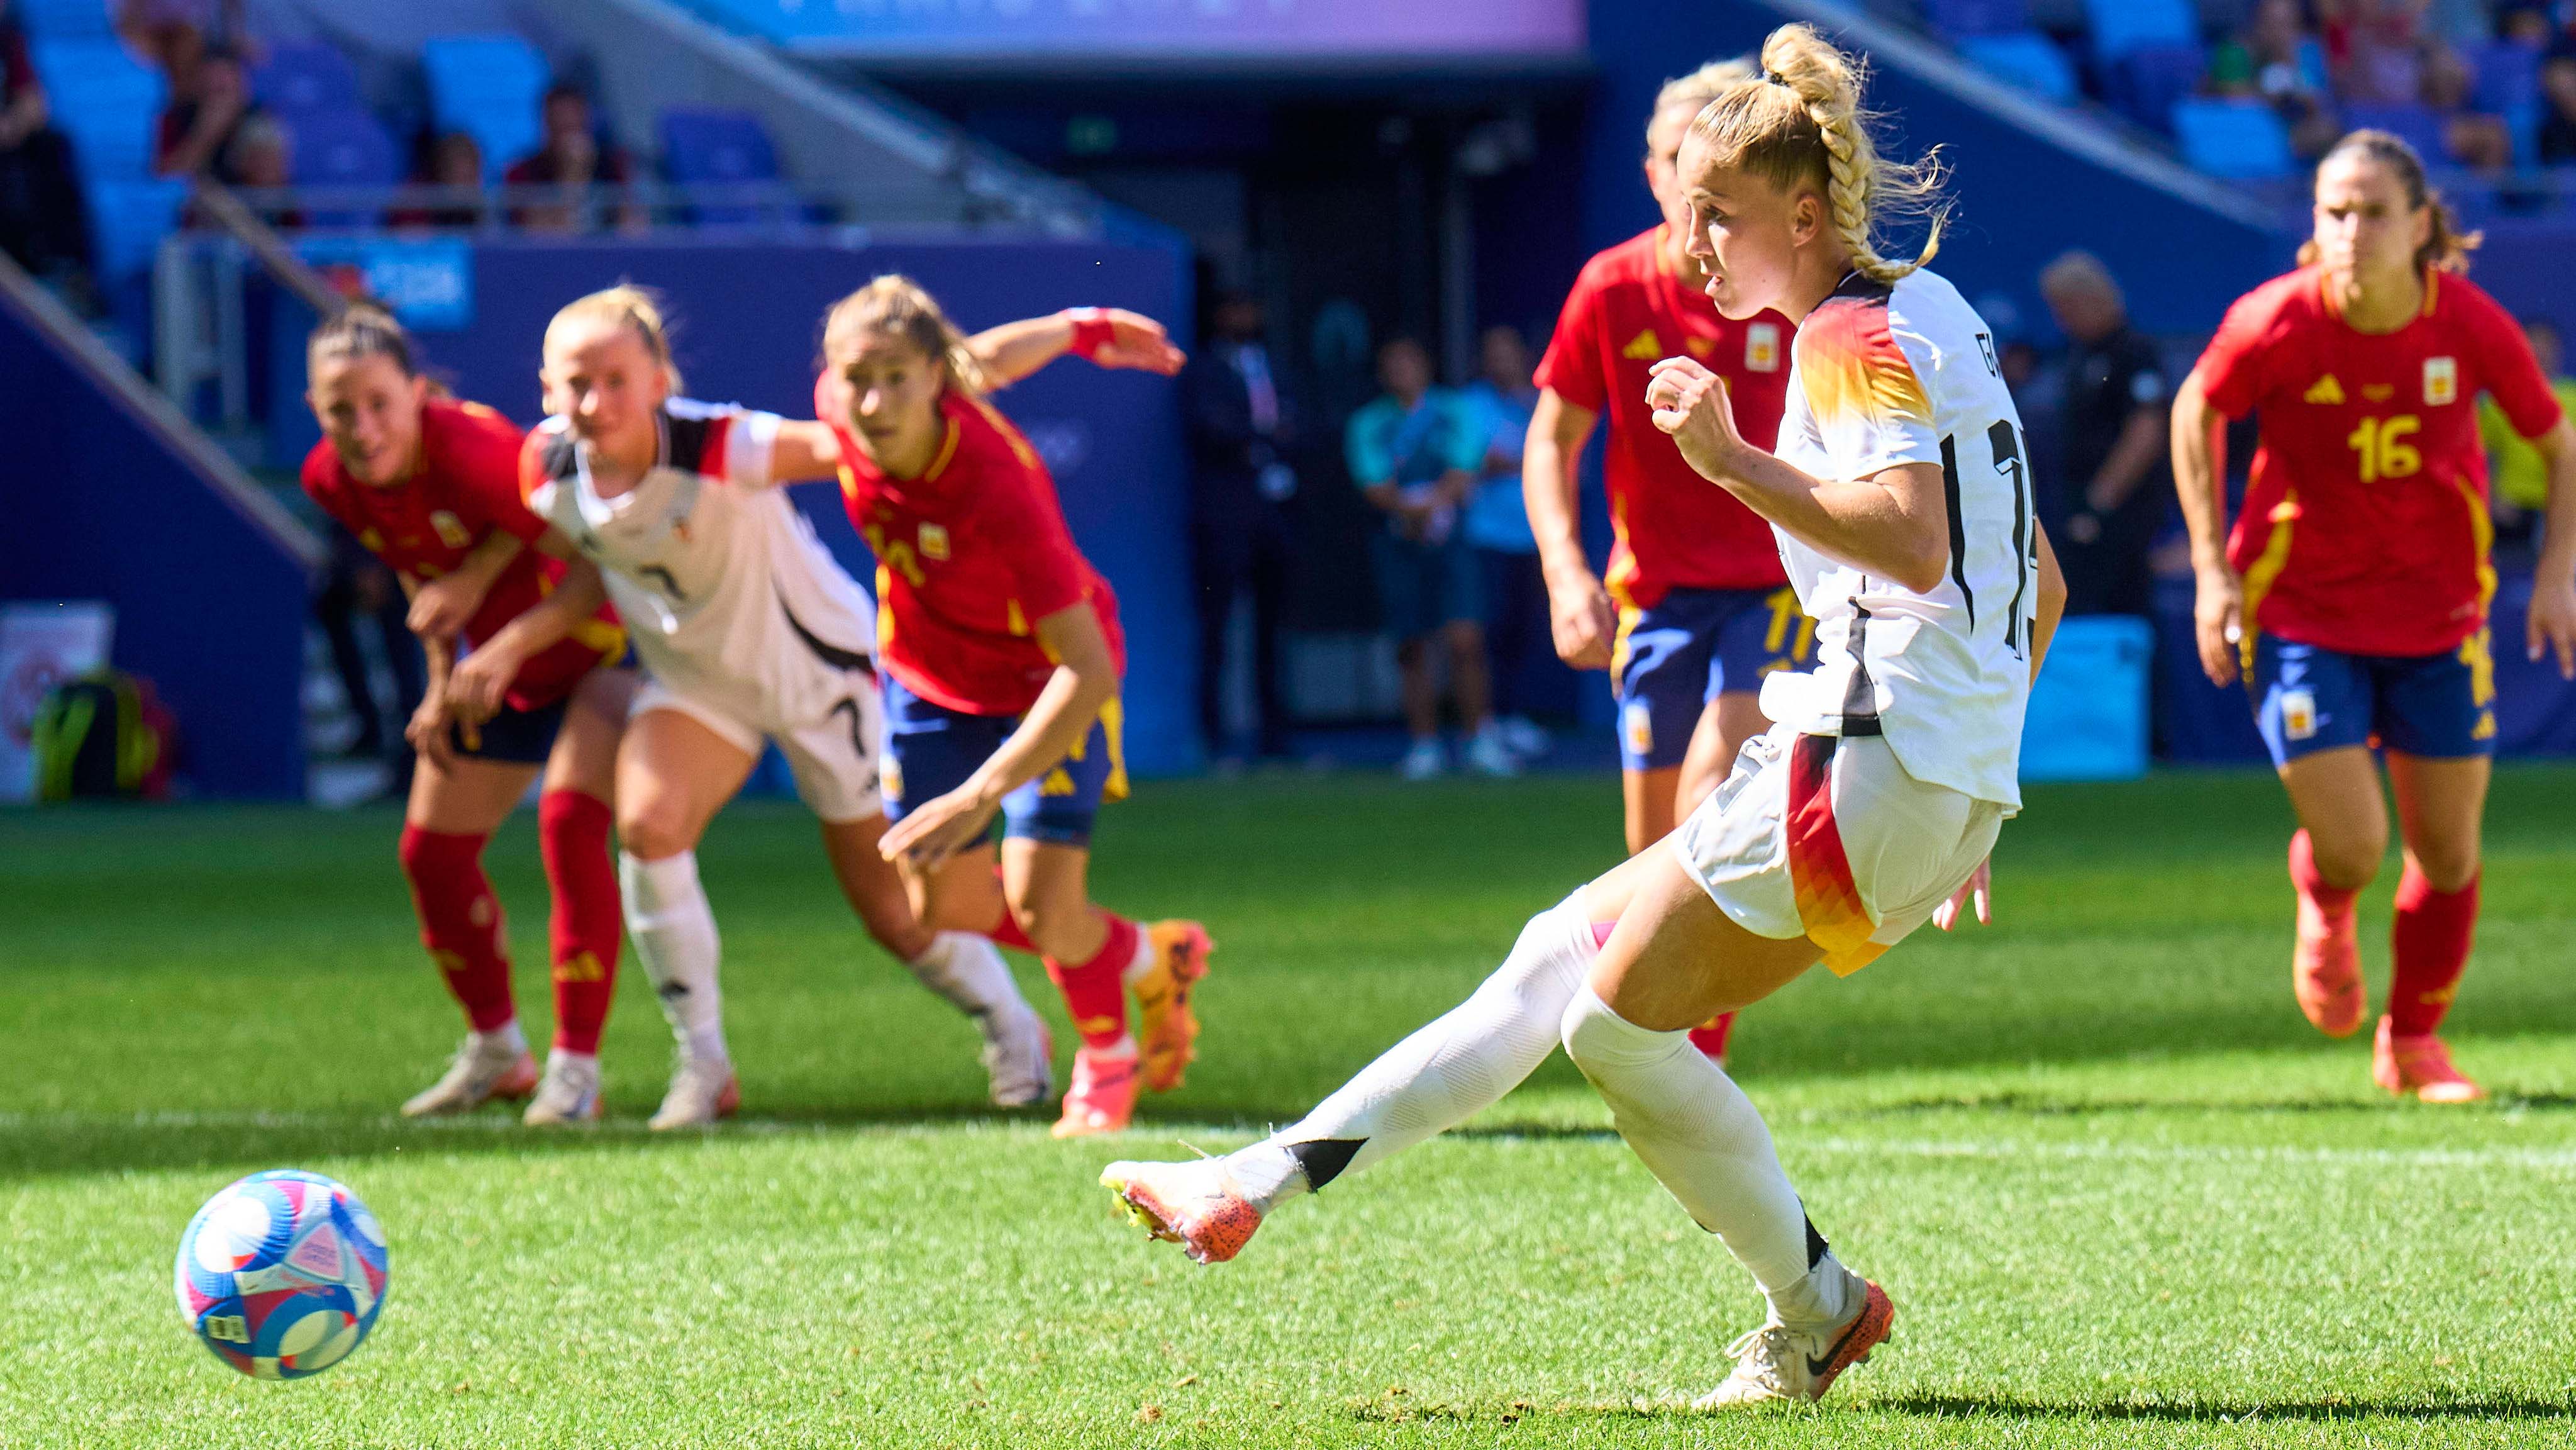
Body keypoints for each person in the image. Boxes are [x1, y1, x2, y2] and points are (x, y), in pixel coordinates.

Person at [1104, 24, 2065, 1410]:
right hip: (1909, 771)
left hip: (1867, 764)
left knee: (1607, 1031)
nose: (1698, 250)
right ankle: (1248, 1179)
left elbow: (1913, 547)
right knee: (1554, 948)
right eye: (1686, 218)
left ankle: (1819, 1311)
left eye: (1719, 220)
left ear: (1802, 213)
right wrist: (1967, 787)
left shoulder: (1846, 340)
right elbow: (2029, 584)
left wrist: (1733, 463)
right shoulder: (1930, 311)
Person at [487, 286, 1069, 1130]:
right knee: (648, 828)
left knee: (900, 914)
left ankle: (1013, 1027)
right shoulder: (546, 469)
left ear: (659, 381)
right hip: (697, 687)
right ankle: (705, 1064)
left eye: (617, 380)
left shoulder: (724, 443)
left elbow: (868, 439)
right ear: (545, 389)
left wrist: (1019, 353)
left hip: (821, 677)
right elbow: (595, 558)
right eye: (576, 383)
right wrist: (506, 635)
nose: (596, 402)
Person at [2171, 129, 2576, 1103]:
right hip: (2305, 613)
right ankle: (2327, 898)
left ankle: (2415, 1042)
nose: (2352, 231)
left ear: (2422, 223)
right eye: (2334, 213)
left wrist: (2559, 571)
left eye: (2375, 212)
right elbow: (2198, 409)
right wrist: (2210, 572)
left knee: (2447, 852)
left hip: (2441, 618)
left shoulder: (2471, 325)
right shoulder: (2274, 321)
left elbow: (2559, 445)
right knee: (2353, 843)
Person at [807, 277, 1215, 1138]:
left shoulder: (995, 489)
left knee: (1039, 905)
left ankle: (1106, 1057)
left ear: (932, 381)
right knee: (940, 908)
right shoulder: (851, 411)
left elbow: (1088, 670)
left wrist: (980, 794)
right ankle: (1150, 955)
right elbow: (981, 356)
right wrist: (1075, 325)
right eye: (856, 378)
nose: (873, 401)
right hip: (929, 678)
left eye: (895, 378)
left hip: (1045, 684)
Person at [1523, 57, 1811, 1063]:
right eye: (1676, 160)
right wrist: (1566, 571)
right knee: (1653, 853)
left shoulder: (1786, 289)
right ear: (1655, 172)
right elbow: (1551, 439)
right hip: (1655, 599)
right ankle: (1677, 1029)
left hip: (1776, 589)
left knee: (1715, 789)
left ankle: (1702, 1040)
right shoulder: (1611, 287)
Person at [299, 306, 636, 1125]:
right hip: (501, 672)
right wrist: (441, 678)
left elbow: (603, 563)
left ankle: (576, 1069)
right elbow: (425, 573)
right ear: (316, 411)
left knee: (568, 826)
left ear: (418, 394)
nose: (364, 425)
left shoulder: (483, 452)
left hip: (605, 646)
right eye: (342, 410)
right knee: (433, 856)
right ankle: (499, 1052)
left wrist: (495, 633)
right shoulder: (329, 479)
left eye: (380, 402)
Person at [1346, 336, 1514, 780]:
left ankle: (1479, 738)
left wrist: (1436, 506)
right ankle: (1425, 745)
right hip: (1398, 546)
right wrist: (1409, 513)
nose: (1402, 371)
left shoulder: (1455, 410)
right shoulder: (1369, 422)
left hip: (1453, 541)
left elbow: (1464, 469)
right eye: (1392, 364)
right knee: (1412, 644)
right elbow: (1374, 482)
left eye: (1409, 362)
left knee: (1465, 640)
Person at [1179, 289, 1298, 767]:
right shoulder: (1204, 369)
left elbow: (1304, 425)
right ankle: (1216, 739)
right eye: (1236, 307)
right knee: (1218, 628)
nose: (1246, 315)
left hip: (1277, 513)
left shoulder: (1277, 365)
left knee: (1275, 629)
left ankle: (1276, 738)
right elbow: (1211, 429)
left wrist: (1266, 438)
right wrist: (1264, 434)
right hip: (1224, 516)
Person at [2039, 252, 2172, 617]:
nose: (2061, 320)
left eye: (2066, 309)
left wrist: (2098, 503)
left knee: (2123, 619)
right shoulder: (2076, 355)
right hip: (2075, 514)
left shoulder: (2134, 353)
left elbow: (2146, 432)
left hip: (2117, 523)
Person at [1457, 324, 1550, 760]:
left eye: (1508, 352)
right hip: (1485, 536)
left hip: (1531, 535)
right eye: (1492, 353)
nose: (1501, 361)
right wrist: (1531, 457)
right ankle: (1483, 725)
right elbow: (1481, 460)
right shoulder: (1470, 404)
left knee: (1520, 630)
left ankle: (1509, 717)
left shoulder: (1539, 401)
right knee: (1486, 632)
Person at [0, 0, 95, 299]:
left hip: (9, 138)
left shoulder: (8, 39)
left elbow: (36, 105)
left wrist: (11, 126)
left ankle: (64, 265)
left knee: (55, 146)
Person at [2480, 317, 2576, 539]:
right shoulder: (2497, 400)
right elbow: (2480, 455)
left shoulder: (2573, 396)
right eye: (2534, 342)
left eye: (2547, 344)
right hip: (2513, 505)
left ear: (2558, 351)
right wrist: (2492, 498)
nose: (2541, 351)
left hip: (2564, 502)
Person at [504, 83, 637, 234]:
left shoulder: (613, 166)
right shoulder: (521, 173)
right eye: (560, 125)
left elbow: (634, 230)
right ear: (545, 124)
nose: (569, 134)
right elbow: (546, 237)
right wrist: (573, 174)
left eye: (573, 124)